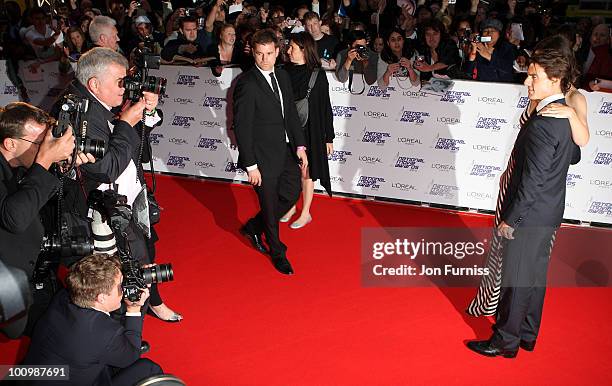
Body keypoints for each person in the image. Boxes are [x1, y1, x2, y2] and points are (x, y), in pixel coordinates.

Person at [466, 44, 581, 358]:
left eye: (534, 77)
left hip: (528, 216)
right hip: (549, 212)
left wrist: (510, 220)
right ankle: (527, 334)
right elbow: (575, 155)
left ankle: (505, 341)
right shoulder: (562, 117)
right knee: (534, 276)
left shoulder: (545, 122)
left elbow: (533, 180)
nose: (527, 82)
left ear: (555, 79)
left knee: (515, 278)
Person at [54, 47, 182, 322]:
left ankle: (154, 302)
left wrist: (139, 115)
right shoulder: (81, 113)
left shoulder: (94, 100)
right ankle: (126, 324)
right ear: (95, 84)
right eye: (120, 82)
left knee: (147, 248)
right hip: (105, 209)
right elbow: (106, 169)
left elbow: (125, 141)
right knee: (124, 265)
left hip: (130, 194)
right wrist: (126, 122)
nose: (127, 87)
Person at [0, 102, 93, 338]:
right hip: (8, 279)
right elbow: (16, 217)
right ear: (10, 144)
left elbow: (42, 197)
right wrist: (44, 162)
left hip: (36, 268)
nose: (46, 148)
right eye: (39, 143)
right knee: (23, 330)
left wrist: (63, 168)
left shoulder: (21, 163)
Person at [233, 29, 309, 275]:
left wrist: (300, 146)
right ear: (253, 54)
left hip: (285, 151)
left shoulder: (283, 77)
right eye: (259, 54)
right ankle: (277, 252)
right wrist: (251, 165)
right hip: (262, 157)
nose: (264, 59)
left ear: (277, 52)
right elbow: (242, 127)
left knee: (291, 192)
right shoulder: (246, 83)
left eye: (269, 53)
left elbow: (292, 116)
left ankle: (256, 225)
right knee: (268, 202)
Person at [23, 254, 163, 385]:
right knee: (149, 369)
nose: (125, 287)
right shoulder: (104, 333)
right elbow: (131, 357)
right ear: (101, 297)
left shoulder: (64, 296)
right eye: (121, 285)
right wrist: (134, 309)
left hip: (38, 375)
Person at [281, 32, 334, 229]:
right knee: (288, 172)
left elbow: (325, 107)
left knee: (306, 172)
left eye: (292, 48)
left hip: (310, 130)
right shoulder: (284, 71)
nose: (288, 51)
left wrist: (329, 137)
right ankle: (290, 207)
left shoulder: (317, 75)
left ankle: (305, 212)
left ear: (304, 50)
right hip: (288, 129)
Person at [465, 18, 516, 82]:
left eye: (493, 31)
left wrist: (488, 56)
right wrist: (473, 50)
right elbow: (468, 73)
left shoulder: (506, 47)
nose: (489, 33)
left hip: (502, 87)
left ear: (499, 34)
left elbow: (507, 68)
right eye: (485, 31)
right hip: (481, 86)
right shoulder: (479, 47)